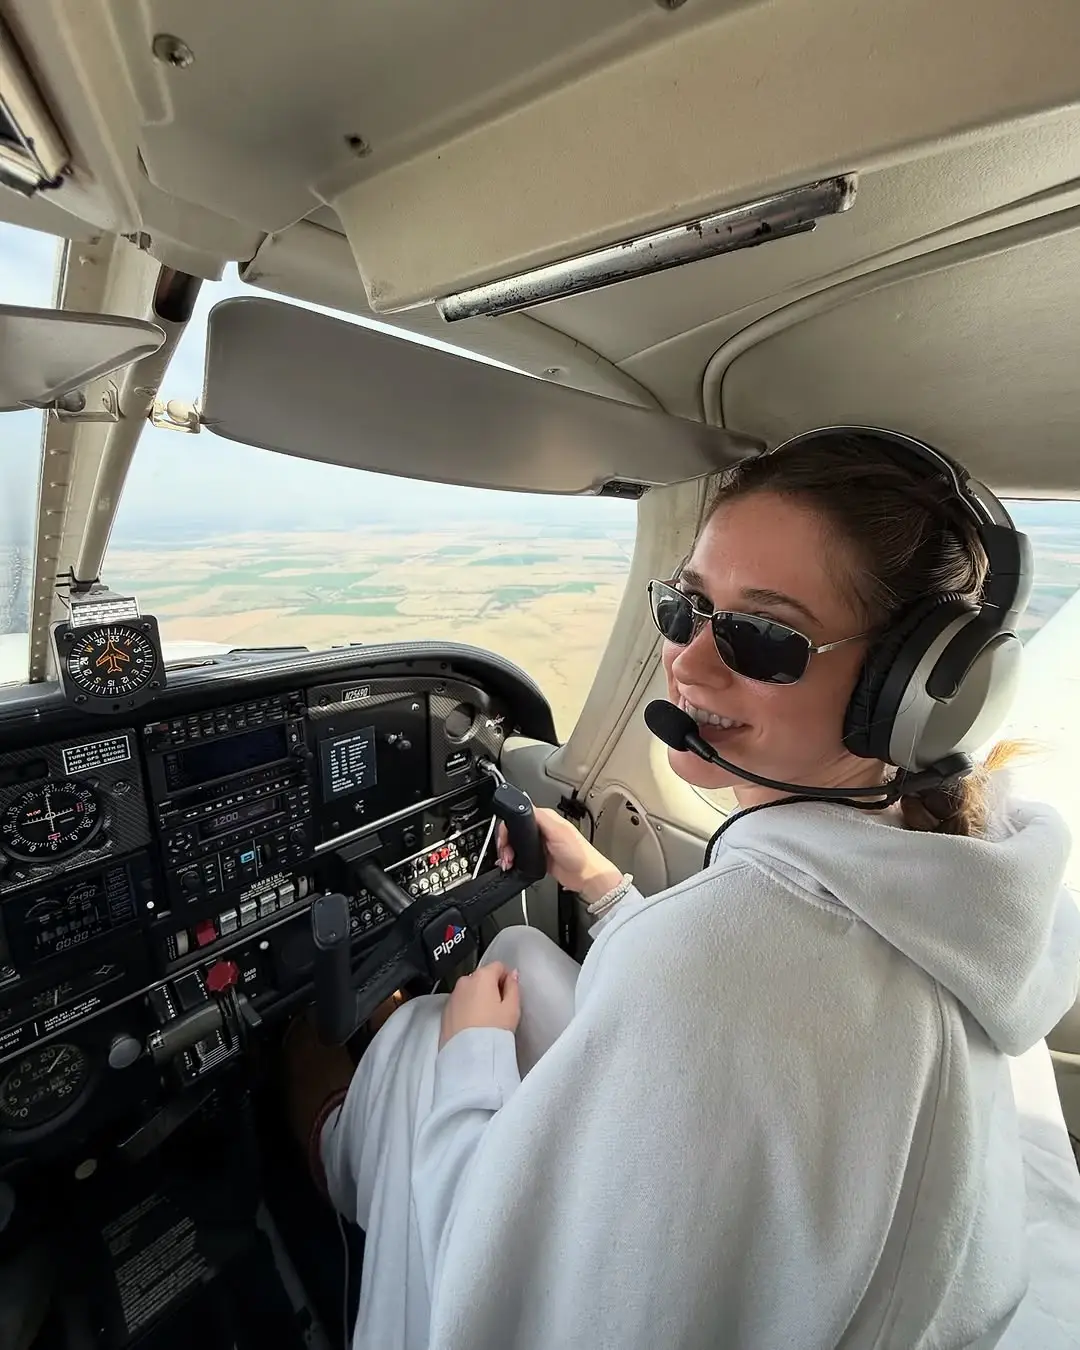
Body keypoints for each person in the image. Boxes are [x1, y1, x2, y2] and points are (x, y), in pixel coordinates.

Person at [288, 428, 1080, 1350]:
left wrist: (467, 1061)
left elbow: (502, 1295)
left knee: (412, 1041)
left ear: (910, 692)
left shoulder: (712, 968)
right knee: (517, 955)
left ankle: (330, 1142)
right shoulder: (964, 882)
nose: (690, 664)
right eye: (688, 607)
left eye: (763, 637)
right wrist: (608, 891)